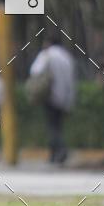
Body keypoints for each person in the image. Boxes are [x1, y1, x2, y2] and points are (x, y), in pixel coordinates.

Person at [29, 33, 76, 165]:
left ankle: (60, 151)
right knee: (58, 126)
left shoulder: (47, 55)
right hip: (65, 97)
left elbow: (35, 71)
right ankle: (55, 154)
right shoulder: (67, 56)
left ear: (48, 43)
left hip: (50, 95)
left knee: (52, 127)